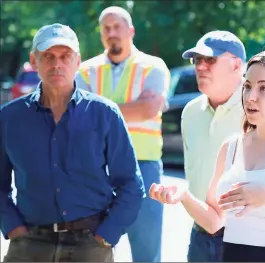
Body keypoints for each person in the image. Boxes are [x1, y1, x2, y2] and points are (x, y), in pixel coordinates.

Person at [150, 47, 265, 262]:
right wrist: (184, 195)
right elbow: (214, 221)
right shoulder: (231, 147)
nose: (250, 97)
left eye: (263, 88)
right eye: (247, 87)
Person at [0, 23, 146, 262]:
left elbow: (131, 184)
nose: (57, 64)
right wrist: (12, 227)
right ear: (34, 61)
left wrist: (106, 236)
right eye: (48, 56)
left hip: (90, 245)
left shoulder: (105, 113)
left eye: (65, 56)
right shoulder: (9, 118)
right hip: (29, 244)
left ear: (78, 61)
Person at [74, 6, 170, 262]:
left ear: (131, 31)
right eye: (106, 28)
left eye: (117, 26)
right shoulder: (85, 70)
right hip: (98, 169)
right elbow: (78, 116)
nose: (111, 32)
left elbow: (148, 110)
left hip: (145, 168)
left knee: (147, 254)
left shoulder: (153, 67)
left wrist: (98, 107)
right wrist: (132, 107)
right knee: (92, 250)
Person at [173, 30, 247, 262]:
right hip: (201, 235)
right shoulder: (191, 112)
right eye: (197, 60)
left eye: (210, 59)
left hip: (247, 238)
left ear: (236, 65)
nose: (200, 66)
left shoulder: (257, 107)